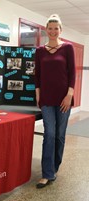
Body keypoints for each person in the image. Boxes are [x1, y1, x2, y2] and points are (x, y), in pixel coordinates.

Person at [34, 14, 76, 188]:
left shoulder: (67, 48)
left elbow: (72, 73)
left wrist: (69, 95)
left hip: (64, 98)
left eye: (56, 28)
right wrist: (38, 95)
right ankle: (47, 173)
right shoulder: (39, 51)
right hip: (46, 99)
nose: (52, 31)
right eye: (50, 28)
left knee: (59, 135)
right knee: (49, 134)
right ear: (46, 30)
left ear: (60, 30)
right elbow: (37, 75)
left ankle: (54, 165)